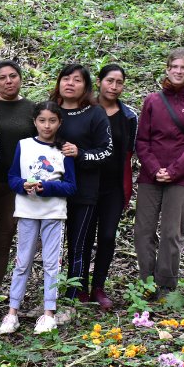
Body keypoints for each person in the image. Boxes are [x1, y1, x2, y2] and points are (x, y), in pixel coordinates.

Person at [134, 48, 184, 301]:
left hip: (182, 177)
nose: (178, 71)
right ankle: (147, 283)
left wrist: (174, 170)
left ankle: (166, 285)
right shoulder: (153, 101)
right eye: (174, 66)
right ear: (167, 69)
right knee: (143, 231)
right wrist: (156, 169)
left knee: (170, 232)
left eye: (183, 67)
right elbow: (142, 140)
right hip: (151, 175)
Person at [0, 101, 76, 335]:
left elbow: (71, 186)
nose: (47, 125)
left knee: (52, 263)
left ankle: (48, 313)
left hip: (53, 212)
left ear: (60, 123)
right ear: (34, 122)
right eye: (42, 120)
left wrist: (49, 188)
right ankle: (12, 312)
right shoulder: (24, 146)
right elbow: (12, 177)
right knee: (22, 262)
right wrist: (23, 185)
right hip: (27, 211)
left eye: (52, 120)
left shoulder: (64, 151)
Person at [52, 63, 113, 321]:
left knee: (78, 244)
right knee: (53, 247)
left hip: (85, 190)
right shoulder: (49, 111)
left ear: (86, 86)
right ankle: (49, 297)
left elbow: (107, 150)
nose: (70, 84)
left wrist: (81, 154)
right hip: (51, 189)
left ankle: (72, 296)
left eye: (76, 80)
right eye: (65, 78)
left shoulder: (95, 114)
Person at [0, 59, 36, 320]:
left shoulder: (30, 108)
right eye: (2, 77)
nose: (8, 81)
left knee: (3, 241)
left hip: (14, 186)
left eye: (13, 76)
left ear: (21, 78)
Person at [87, 64, 138, 310]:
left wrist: (127, 189)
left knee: (107, 236)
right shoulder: (85, 110)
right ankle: (77, 287)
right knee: (83, 237)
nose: (114, 87)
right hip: (86, 186)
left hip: (113, 187)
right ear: (99, 81)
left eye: (119, 82)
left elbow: (128, 155)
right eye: (109, 81)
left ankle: (98, 286)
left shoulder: (128, 117)